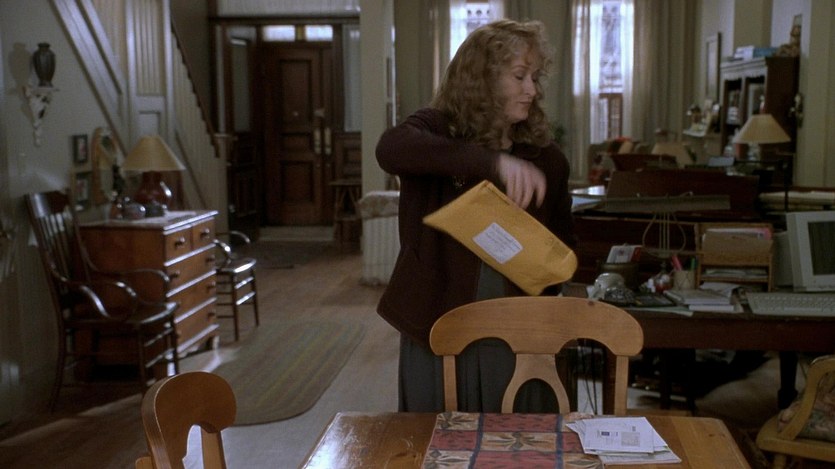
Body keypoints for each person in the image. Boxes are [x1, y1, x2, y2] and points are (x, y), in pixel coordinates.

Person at [375, 19, 577, 412]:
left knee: (520, 439)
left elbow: (565, 246)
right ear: (483, 79)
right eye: (519, 76)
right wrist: (491, 163)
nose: (532, 90)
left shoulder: (547, 159)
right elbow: (390, 149)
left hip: (518, 338)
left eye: (535, 77)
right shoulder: (435, 130)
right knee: (437, 438)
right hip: (436, 327)